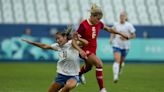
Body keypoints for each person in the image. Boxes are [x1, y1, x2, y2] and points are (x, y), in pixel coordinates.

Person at [72, 4, 129, 92]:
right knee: (99, 64)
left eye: (100, 19)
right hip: (84, 50)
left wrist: (121, 34)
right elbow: (74, 41)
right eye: (98, 18)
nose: (99, 20)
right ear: (92, 16)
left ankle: (77, 74)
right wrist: (80, 50)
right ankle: (102, 89)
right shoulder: (83, 25)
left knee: (88, 67)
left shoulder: (99, 23)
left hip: (92, 50)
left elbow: (109, 29)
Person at [20, 27, 88, 92]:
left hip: (73, 76)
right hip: (61, 75)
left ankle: (79, 76)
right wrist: (31, 43)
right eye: (56, 39)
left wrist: (78, 39)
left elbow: (86, 43)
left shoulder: (72, 43)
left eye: (59, 38)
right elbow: (44, 46)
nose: (57, 40)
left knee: (68, 86)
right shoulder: (57, 46)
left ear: (65, 37)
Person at [110, 11, 136, 83]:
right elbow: (112, 32)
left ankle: (120, 68)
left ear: (125, 17)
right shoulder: (116, 24)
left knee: (121, 62)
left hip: (125, 46)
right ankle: (115, 76)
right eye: (120, 15)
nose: (121, 17)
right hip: (116, 45)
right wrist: (111, 39)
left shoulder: (129, 25)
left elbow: (134, 35)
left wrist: (127, 37)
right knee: (117, 60)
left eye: (123, 16)